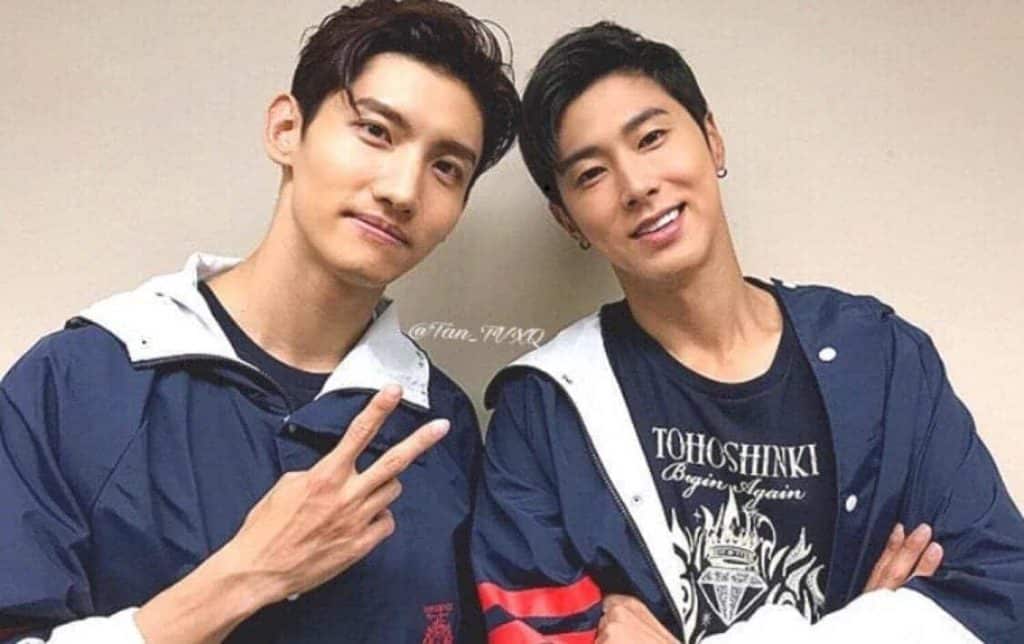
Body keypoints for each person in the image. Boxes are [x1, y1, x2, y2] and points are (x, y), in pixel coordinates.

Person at [471, 21, 1023, 643]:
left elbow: (1001, 594)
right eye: (592, 174)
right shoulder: (545, 409)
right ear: (567, 219)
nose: (637, 186)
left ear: (712, 139)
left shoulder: (881, 357)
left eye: (651, 138)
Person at [0, 1, 518, 642]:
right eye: (376, 131)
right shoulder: (80, 381)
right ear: (286, 129)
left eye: (446, 168)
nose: (403, 190)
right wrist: (246, 577)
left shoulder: (440, 427)